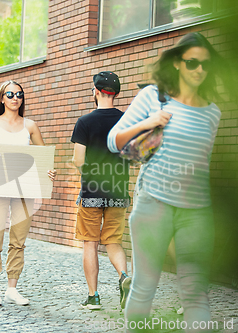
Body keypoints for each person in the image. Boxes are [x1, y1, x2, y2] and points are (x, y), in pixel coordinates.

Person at [107, 32, 231, 331]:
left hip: (197, 211)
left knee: (195, 291)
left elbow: (202, 164)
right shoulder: (153, 96)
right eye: (192, 63)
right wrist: (150, 122)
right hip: (154, 205)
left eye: (206, 65)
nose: (200, 70)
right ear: (177, 63)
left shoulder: (212, 113)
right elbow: (114, 141)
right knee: (145, 285)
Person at [0, 80, 56, 306]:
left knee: (19, 240)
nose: (16, 98)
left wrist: (49, 171)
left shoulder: (31, 126)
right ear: (2, 98)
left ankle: (12, 289)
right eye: (11, 94)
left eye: (20, 94)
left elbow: (43, 157)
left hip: (24, 189)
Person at [71, 71, 132, 310]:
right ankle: (124, 277)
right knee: (114, 241)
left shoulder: (84, 122)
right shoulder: (128, 121)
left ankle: (93, 297)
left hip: (92, 192)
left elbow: (78, 161)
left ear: (95, 92)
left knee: (90, 242)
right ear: (115, 94)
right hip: (118, 191)